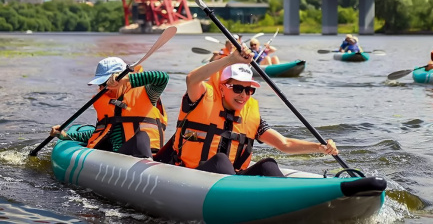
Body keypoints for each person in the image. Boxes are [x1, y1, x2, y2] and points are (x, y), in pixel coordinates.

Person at [171, 45, 338, 177]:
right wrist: (231, 59)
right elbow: (191, 79)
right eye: (237, 88)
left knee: (268, 165)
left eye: (249, 90)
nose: (243, 95)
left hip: (232, 178)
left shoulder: (250, 117)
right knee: (221, 160)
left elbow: (284, 144)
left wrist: (320, 147)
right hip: (195, 175)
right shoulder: (200, 98)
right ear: (222, 88)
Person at [50, 57, 169, 158]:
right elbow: (100, 132)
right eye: (101, 84)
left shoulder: (148, 94)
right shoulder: (105, 103)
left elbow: (162, 78)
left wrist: (128, 79)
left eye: (107, 83)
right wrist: (65, 135)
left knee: (141, 138)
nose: (103, 88)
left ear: (121, 79)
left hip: (147, 156)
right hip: (118, 158)